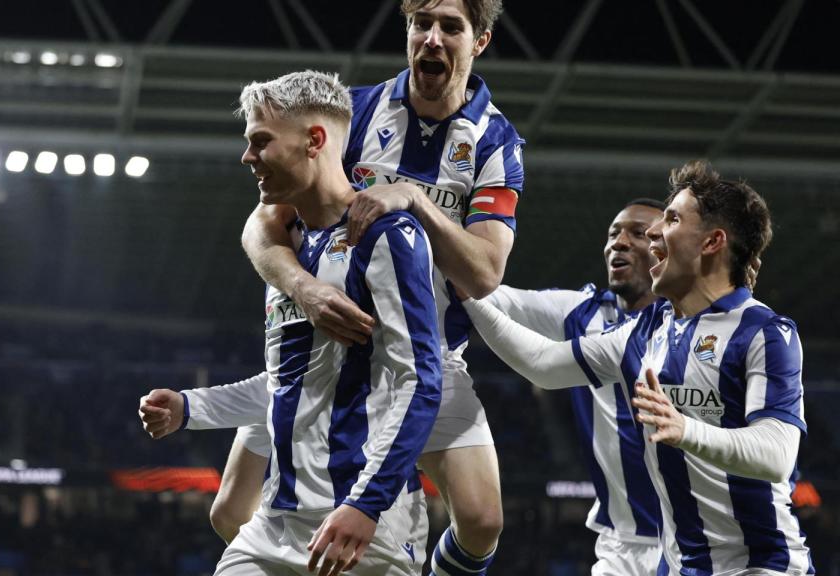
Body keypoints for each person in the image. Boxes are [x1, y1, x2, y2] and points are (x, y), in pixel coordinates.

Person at [227, 1, 524, 572]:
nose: (432, 39)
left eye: (451, 27)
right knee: (229, 509)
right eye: (421, 24)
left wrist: (414, 200)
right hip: (324, 351)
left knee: (483, 520)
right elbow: (261, 225)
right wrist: (303, 289)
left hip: (425, 354)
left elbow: (485, 272)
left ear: (479, 41)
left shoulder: (495, 144)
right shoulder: (354, 113)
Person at [141, 70, 442, 576]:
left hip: (368, 524)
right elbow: (290, 384)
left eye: (261, 141)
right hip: (275, 523)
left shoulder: (389, 237)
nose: (247, 157)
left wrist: (365, 505)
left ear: (314, 141)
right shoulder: (288, 253)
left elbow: (420, 381)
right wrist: (190, 407)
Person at [464, 161, 814, 575]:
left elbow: (776, 454)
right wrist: (466, 292)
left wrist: (687, 431)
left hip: (762, 567)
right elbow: (543, 364)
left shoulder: (765, 333)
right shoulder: (646, 331)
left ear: (712, 242)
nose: (652, 233)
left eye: (672, 219)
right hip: (682, 566)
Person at [481, 198, 665, 575]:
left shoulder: (698, 324)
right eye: (613, 234)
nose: (620, 242)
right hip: (621, 545)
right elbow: (495, 298)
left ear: (667, 251)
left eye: (638, 233)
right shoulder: (581, 313)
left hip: (698, 539)